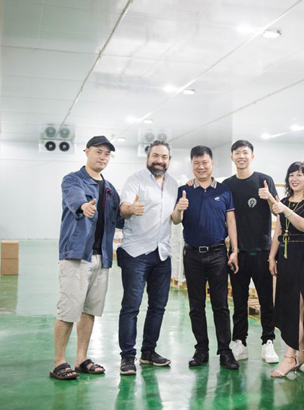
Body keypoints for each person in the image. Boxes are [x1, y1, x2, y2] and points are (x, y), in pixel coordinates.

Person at [51, 136, 122, 381]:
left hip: (102, 256)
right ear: (87, 152)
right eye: (98, 152)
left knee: (89, 310)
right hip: (76, 255)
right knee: (68, 310)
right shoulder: (73, 179)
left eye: (107, 154)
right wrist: (84, 206)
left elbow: (118, 217)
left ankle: (81, 358)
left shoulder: (110, 188)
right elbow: (76, 199)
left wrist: (130, 211)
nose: (103, 157)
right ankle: (59, 361)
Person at [172, 146, 241, 370]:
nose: (201, 167)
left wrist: (235, 250)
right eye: (196, 163)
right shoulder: (184, 190)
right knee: (196, 305)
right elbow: (175, 220)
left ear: (212, 164)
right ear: (191, 164)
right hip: (192, 254)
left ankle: (225, 351)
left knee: (221, 305)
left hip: (218, 253)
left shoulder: (224, 190)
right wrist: (179, 209)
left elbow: (231, 222)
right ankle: (201, 349)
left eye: (205, 162)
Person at [117, 140, 178, 375]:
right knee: (131, 306)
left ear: (169, 160)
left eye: (164, 157)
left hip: (162, 253)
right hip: (136, 253)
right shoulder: (135, 180)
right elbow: (124, 207)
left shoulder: (173, 184)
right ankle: (127, 356)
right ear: (148, 157)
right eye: (155, 156)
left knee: (158, 307)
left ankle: (148, 352)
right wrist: (130, 209)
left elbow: (174, 217)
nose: (159, 161)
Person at [221, 140, 280, 364]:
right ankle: (240, 343)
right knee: (239, 300)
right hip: (238, 252)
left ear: (252, 156)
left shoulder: (264, 180)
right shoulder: (227, 185)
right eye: (237, 153)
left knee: (266, 300)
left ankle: (268, 341)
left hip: (262, 251)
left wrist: (269, 197)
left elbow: (278, 212)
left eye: (245, 152)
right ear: (232, 157)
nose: (241, 156)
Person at [268, 161, 304, 378]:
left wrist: (285, 210)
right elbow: (279, 232)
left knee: (299, 307)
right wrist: (272, 257)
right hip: (286, 257)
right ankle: (303, 352)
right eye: (291, 175)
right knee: (287, 307)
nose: (294, 179)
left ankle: (289, 357)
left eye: (299, 175)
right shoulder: (284, 202)